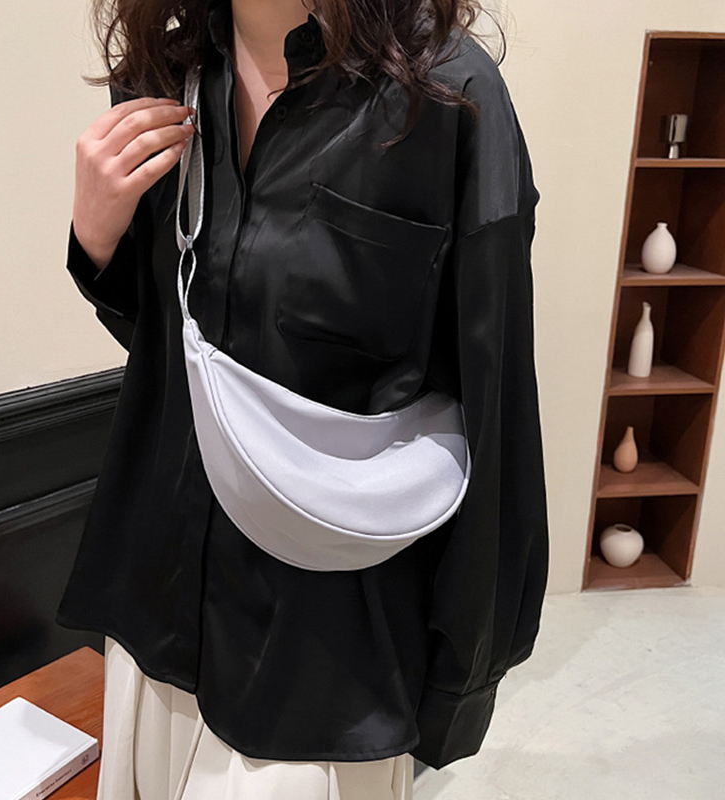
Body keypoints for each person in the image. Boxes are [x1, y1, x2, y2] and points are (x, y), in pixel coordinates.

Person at [57, 0, 550, 798]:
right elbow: (182, 358)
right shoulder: (164, 80)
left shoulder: (447, 98)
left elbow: (493, 410)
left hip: (325, 664)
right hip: (156, 617)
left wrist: (458, 684)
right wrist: (96, 239)